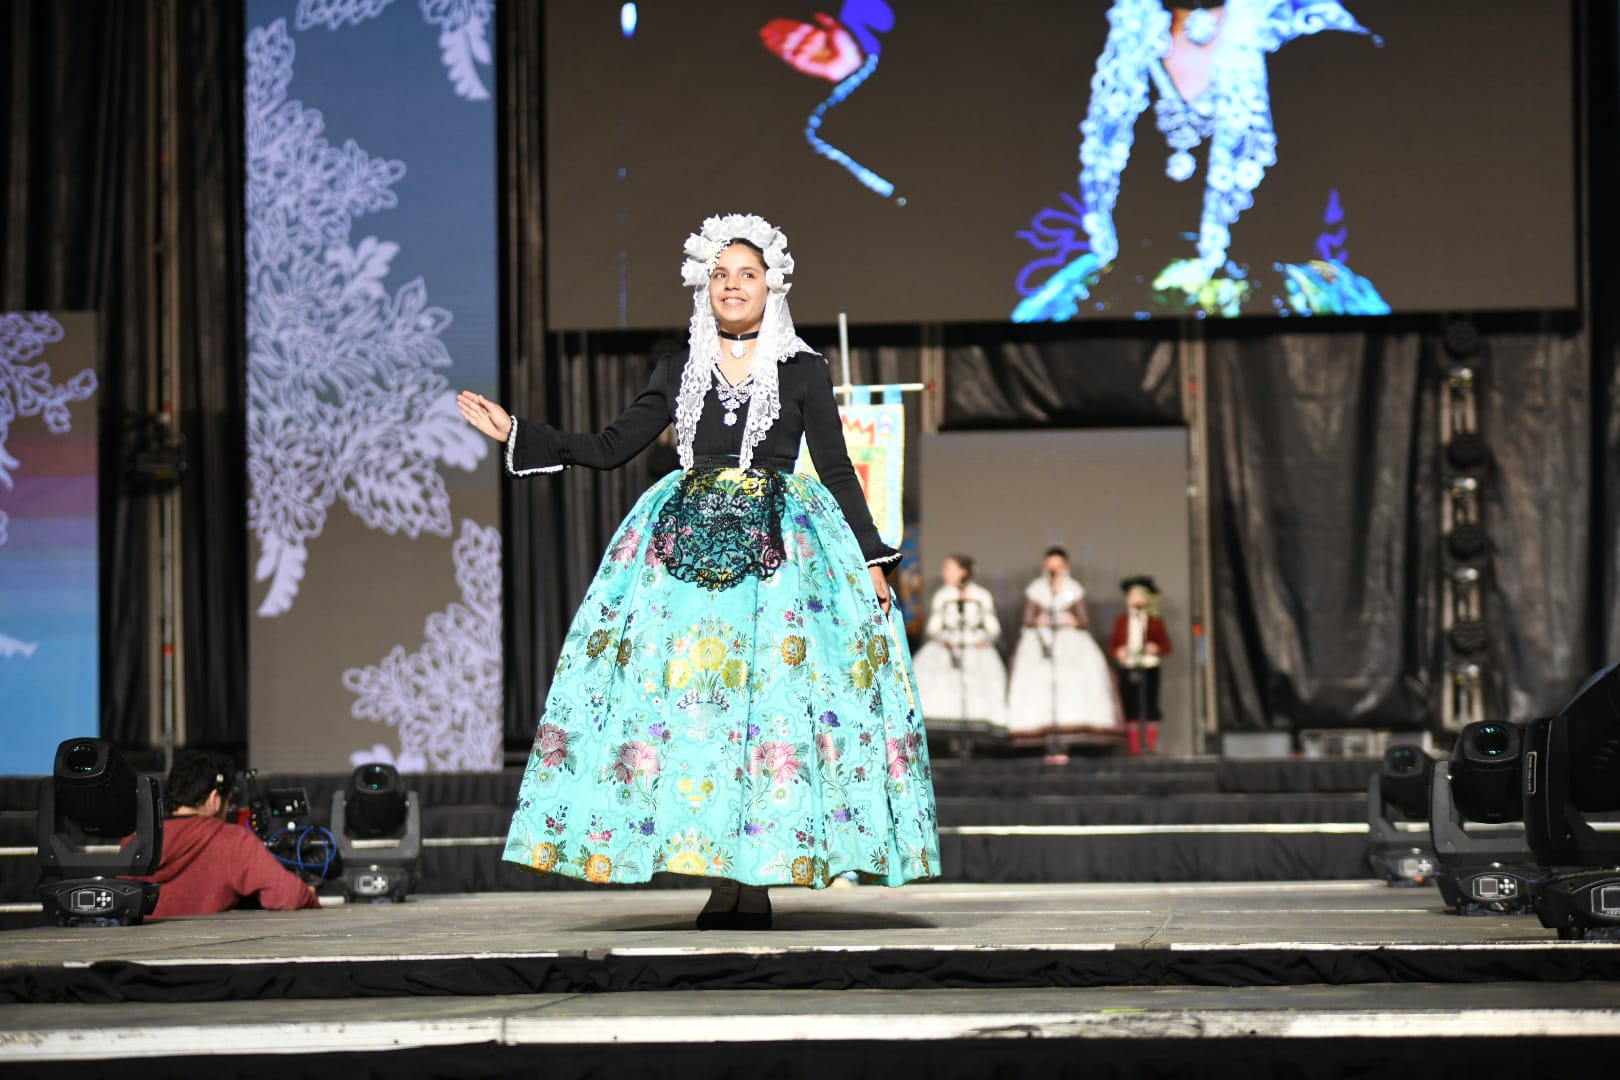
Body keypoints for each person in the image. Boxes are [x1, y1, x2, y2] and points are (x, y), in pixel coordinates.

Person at [457, 213, 939, 929]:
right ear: (704, 288)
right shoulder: (679, 367)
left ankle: (762, 876)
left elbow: (835, 470)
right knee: (699, 717)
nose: (733, 285)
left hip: (779, 562)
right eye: (720, 275)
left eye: (746, 273)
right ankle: (723, 880)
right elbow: (614, 442)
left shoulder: (803, 369)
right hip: (681, 563)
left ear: (772, 284)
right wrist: (521, 432)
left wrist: (872, 559)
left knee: (769, 710)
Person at [132, 750, 320, 919]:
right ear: (215, 799)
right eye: (228, 802)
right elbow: (289, 896)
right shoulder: (230, 840)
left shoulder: (135, 840)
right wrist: (307, 893)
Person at [1004, 545, 1122, 752]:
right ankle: (1042, 733)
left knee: (1073, 681)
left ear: (1065, 566)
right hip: (1042, 641)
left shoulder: (1073, 589)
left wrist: (1071, 621)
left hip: (1070, 641)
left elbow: (1084, 621)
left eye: (1058, 566)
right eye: (1050, 566)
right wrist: (1038, 621)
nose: (1053, 571)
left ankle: (1071, 733)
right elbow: (1028, 619)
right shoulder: (1037, 589)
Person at [912, 555, 1007, 736]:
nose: (944, 573)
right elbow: (934, 627)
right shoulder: (943, 596)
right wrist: (944, 640)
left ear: (963, 571)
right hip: (948, 646)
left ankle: (978, 732)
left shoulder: (981, 595)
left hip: (975, 646)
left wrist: (984, 639)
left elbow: (992, 626)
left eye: (948, 568)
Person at [1111, 574, 1172, 755]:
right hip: (1128, 666)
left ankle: (1149, 746)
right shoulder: (1122, 621)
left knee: (1150, 706)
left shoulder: (1154, 621)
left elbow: (1166, 645)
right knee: (1131, 707)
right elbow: (1114, 644)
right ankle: (1134, 748)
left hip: (1149, 666)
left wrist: (1155, 648)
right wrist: (1119, 652)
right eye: (1131, 596)